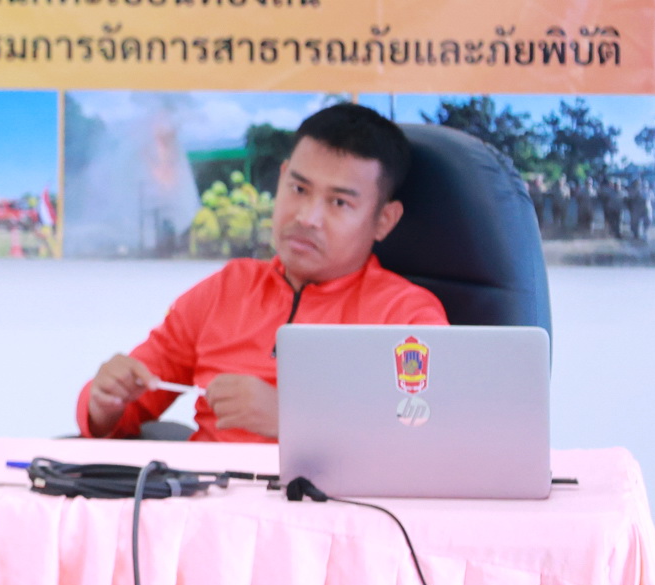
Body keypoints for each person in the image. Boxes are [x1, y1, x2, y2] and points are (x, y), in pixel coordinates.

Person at [78, 103, 447, 442]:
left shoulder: (407, 317)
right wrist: (105, 401)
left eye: (338, 202)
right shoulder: (226, 289)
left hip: (328, 494)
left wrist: (293, 421)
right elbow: (129, 405)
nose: (307, 217)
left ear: (384, 220)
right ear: (282, 178)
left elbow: (430, 440)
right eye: (298, 188)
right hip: (200, 487)